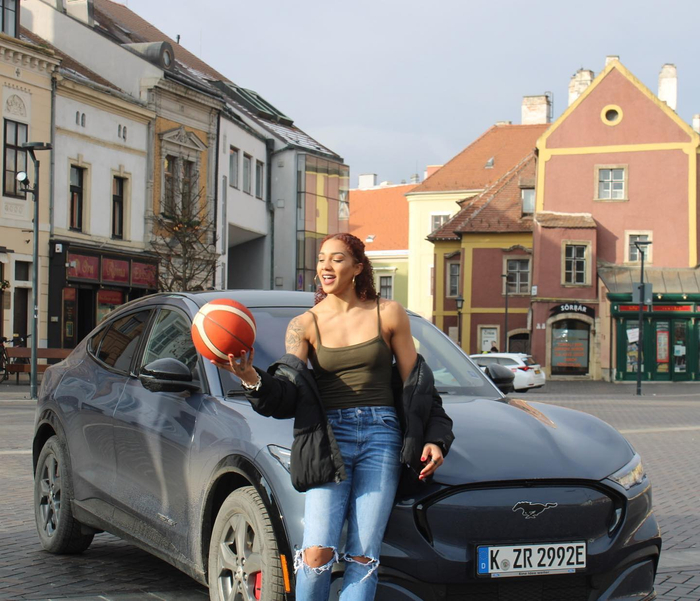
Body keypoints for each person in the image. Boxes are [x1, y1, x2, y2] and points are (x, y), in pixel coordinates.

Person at [221, 232, 454, 601]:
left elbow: (419, 386)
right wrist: (251, 376)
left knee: (363, 555)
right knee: (316, 554)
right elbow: (286, 393)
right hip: (328, 439)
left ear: (358, 267)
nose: (325, 266)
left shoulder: (388, 312)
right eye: (321, 259)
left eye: (337, 258)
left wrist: (435, 439)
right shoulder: (304, 324)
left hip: (382, 435)